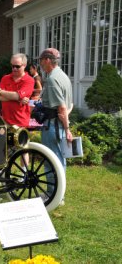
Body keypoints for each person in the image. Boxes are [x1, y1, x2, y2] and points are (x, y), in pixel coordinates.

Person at [39, 48, 73, 204]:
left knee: (51, 161)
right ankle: (60, 194)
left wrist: (67, 129)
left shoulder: (52, 79)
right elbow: (70, 105)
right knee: (60, 160)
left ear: (47, 60)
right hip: (58, 124)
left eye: (40, 60)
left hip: (52, 126)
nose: (40, 64)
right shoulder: (63, 76)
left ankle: (54, 195)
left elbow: (62, 107)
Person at [0, 53, 34, 127]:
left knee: (16, 139)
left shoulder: (29, 80)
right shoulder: (5, 78)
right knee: (5, 139)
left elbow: (17, 96)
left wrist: (2, 92)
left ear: (24, 65)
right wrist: (19, 100)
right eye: (12, 66)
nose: (14, 69)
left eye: (17, 66)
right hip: (5, 122)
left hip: (20, 123)